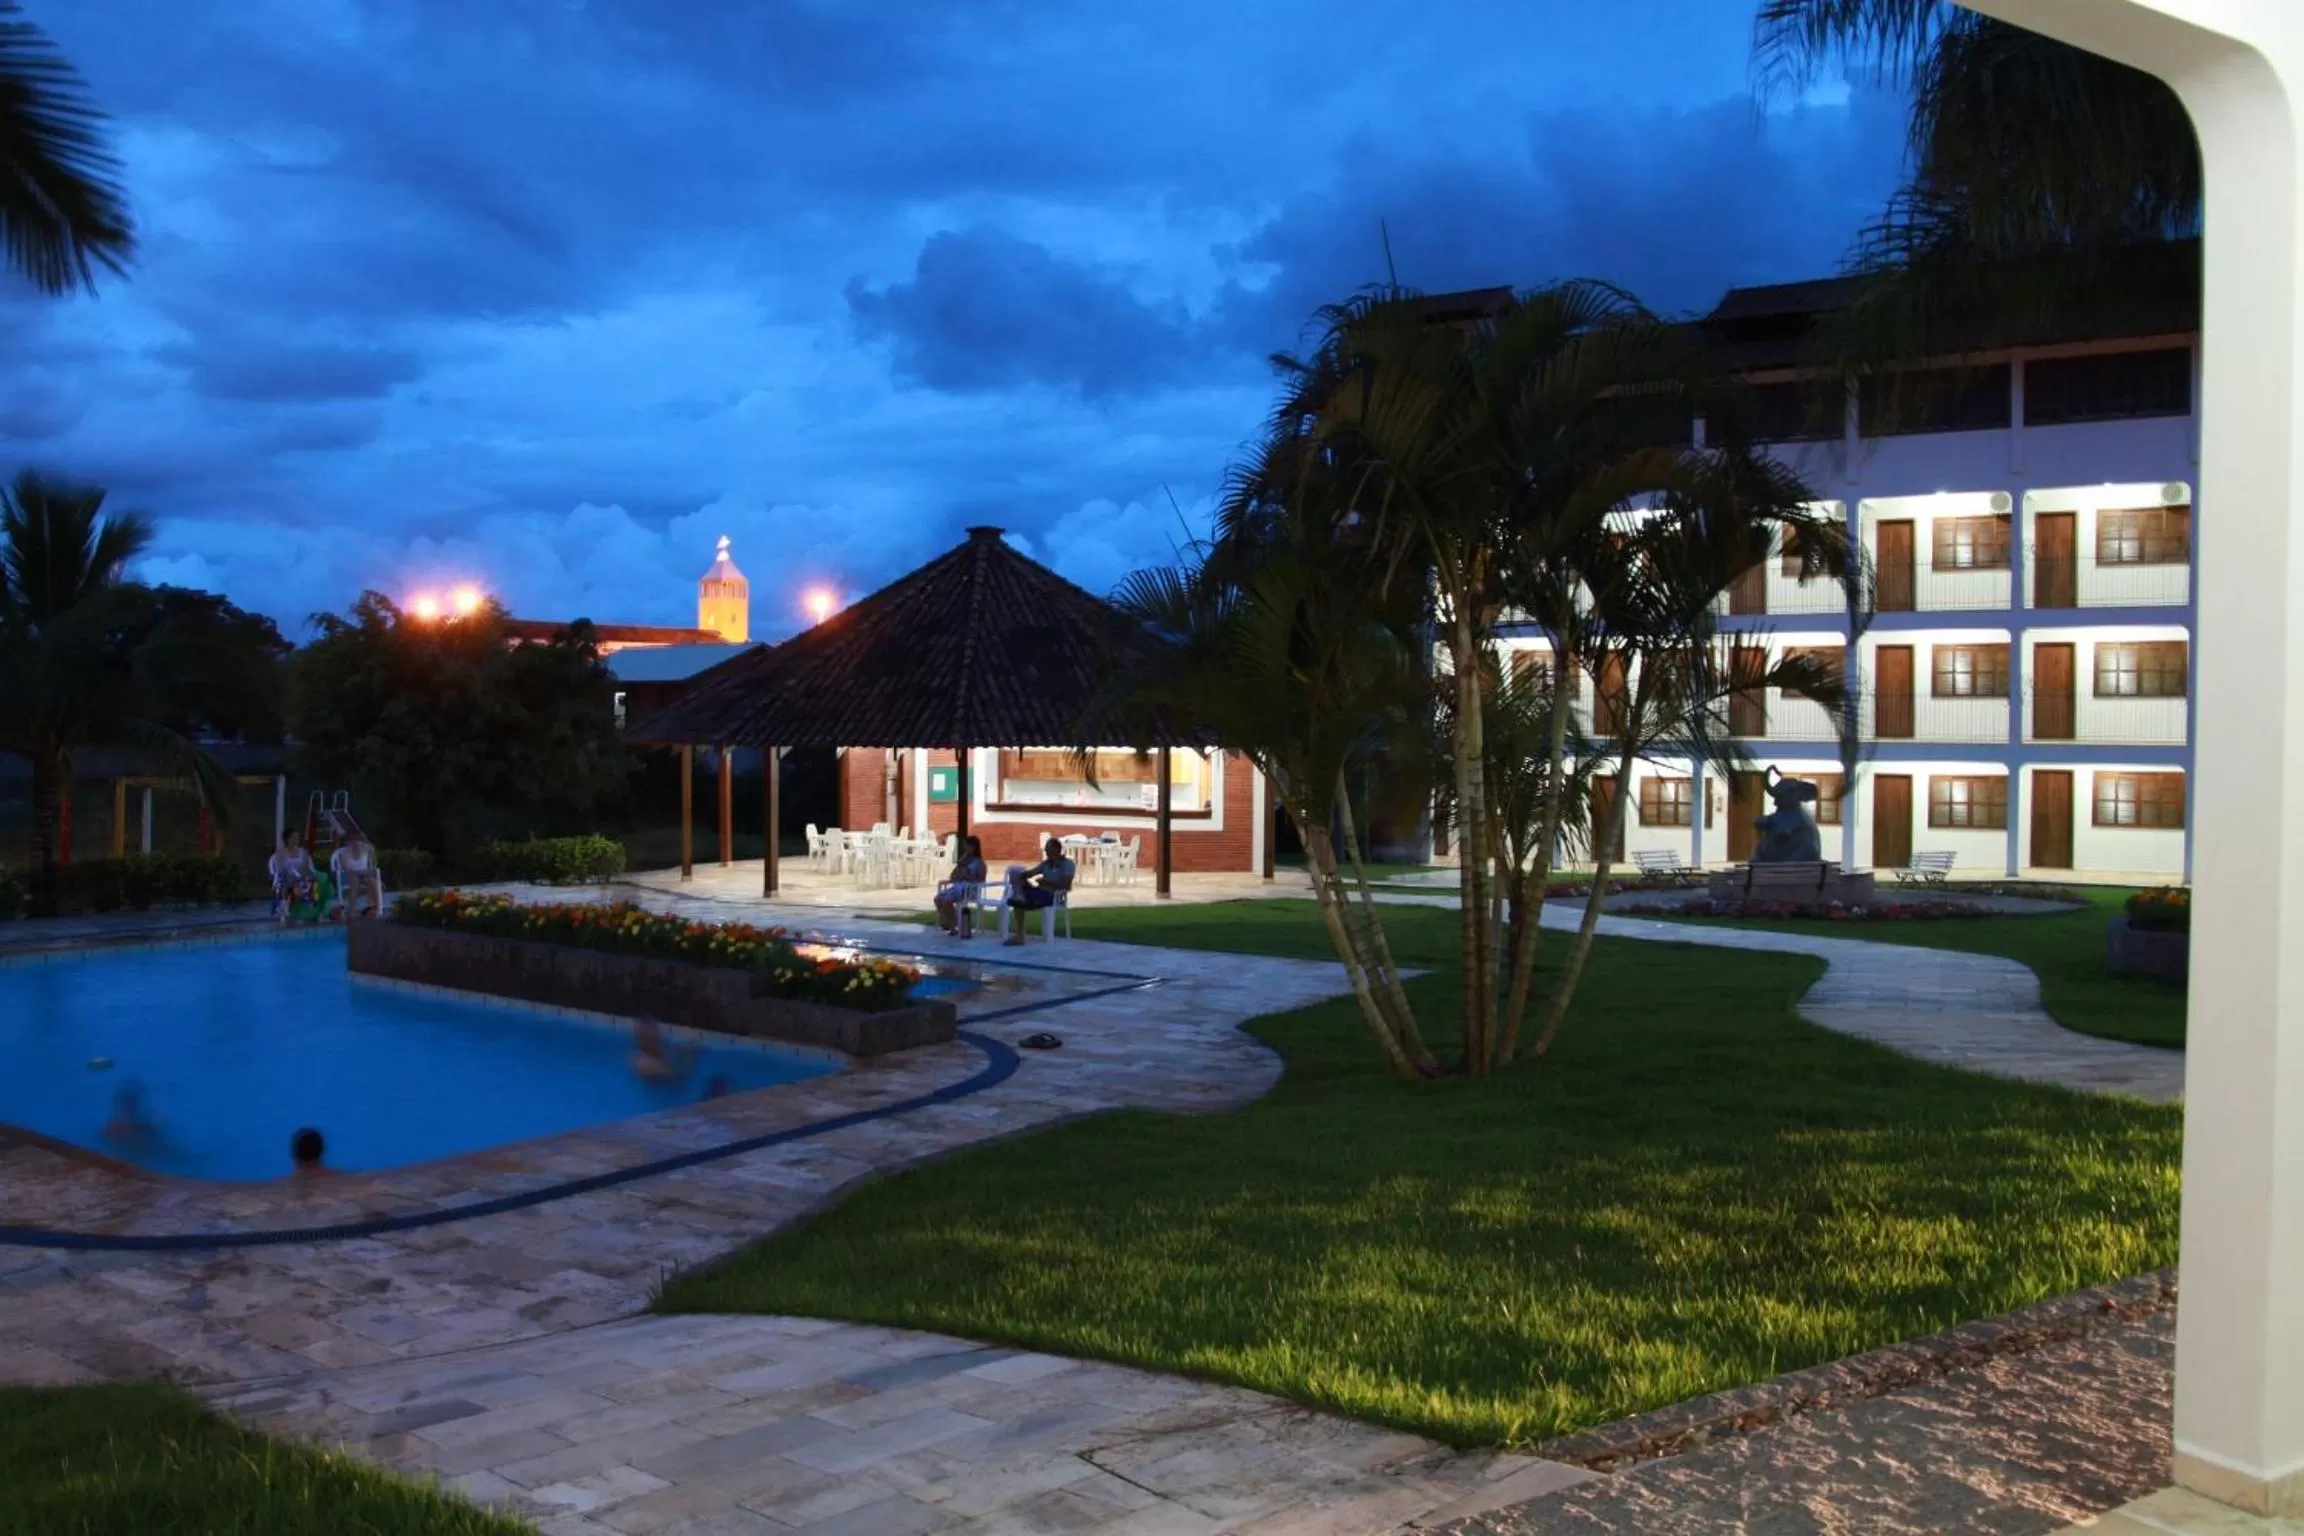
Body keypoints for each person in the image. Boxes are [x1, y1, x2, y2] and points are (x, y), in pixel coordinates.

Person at [1002, 836, 1076, 946]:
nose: (1046, 851)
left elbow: (1066, 885)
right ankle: (1020, 899)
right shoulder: (1046, 864)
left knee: (1018, 901)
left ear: (1056, 849)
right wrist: (1019, 875)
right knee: (1019, 892)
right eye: (1046, 849)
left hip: (1053, 896)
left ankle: (1020, 900)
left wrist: (1046, 882)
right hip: (1040, 892)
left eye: (1048, 849)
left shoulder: (1067, 864)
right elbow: (1032, 872)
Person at [933, 835, 988, 936]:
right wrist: (958, 871)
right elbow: (952, 875)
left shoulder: (979, 863)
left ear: (973, 847)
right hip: (958, 887)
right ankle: (948, 922)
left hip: (970, 889)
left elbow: (981, 880)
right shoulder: (963, 860)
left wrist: (967, 875)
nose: (965, 848)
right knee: (938, 899)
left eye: (967, 846)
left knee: (947, 901)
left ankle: (953, 925)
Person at [268, 830, 318, 923]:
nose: (296, 839)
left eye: (297, 837)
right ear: (287, 839)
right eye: (293, 837)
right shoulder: (281, 854)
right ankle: (284, 907)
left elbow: (307, 868)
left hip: (301, 878)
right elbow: (280, 869)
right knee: (288, 878)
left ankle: (313, 909)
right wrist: (295, 874)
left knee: (313, 881)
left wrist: (302, 875)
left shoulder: (303, 852)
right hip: (286, 879)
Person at [331, 833, 383, 920]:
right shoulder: (343, 853)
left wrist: (365, 872)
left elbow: (372, 867)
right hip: (350, 876)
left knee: (373, 883)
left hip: (365, 875)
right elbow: (347, 869)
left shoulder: (367, 850)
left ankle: (378, 909)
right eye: (353, 842)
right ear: (349, 843)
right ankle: (350, 912)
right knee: (355, 882)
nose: (357, 844)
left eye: (359, 842)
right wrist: (361, 873)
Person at [103, 1079, 156, 1148]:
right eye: (126, 1102)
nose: (128, 1107)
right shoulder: (111, 1130)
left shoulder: (149, 1128)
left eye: (132, 1102)